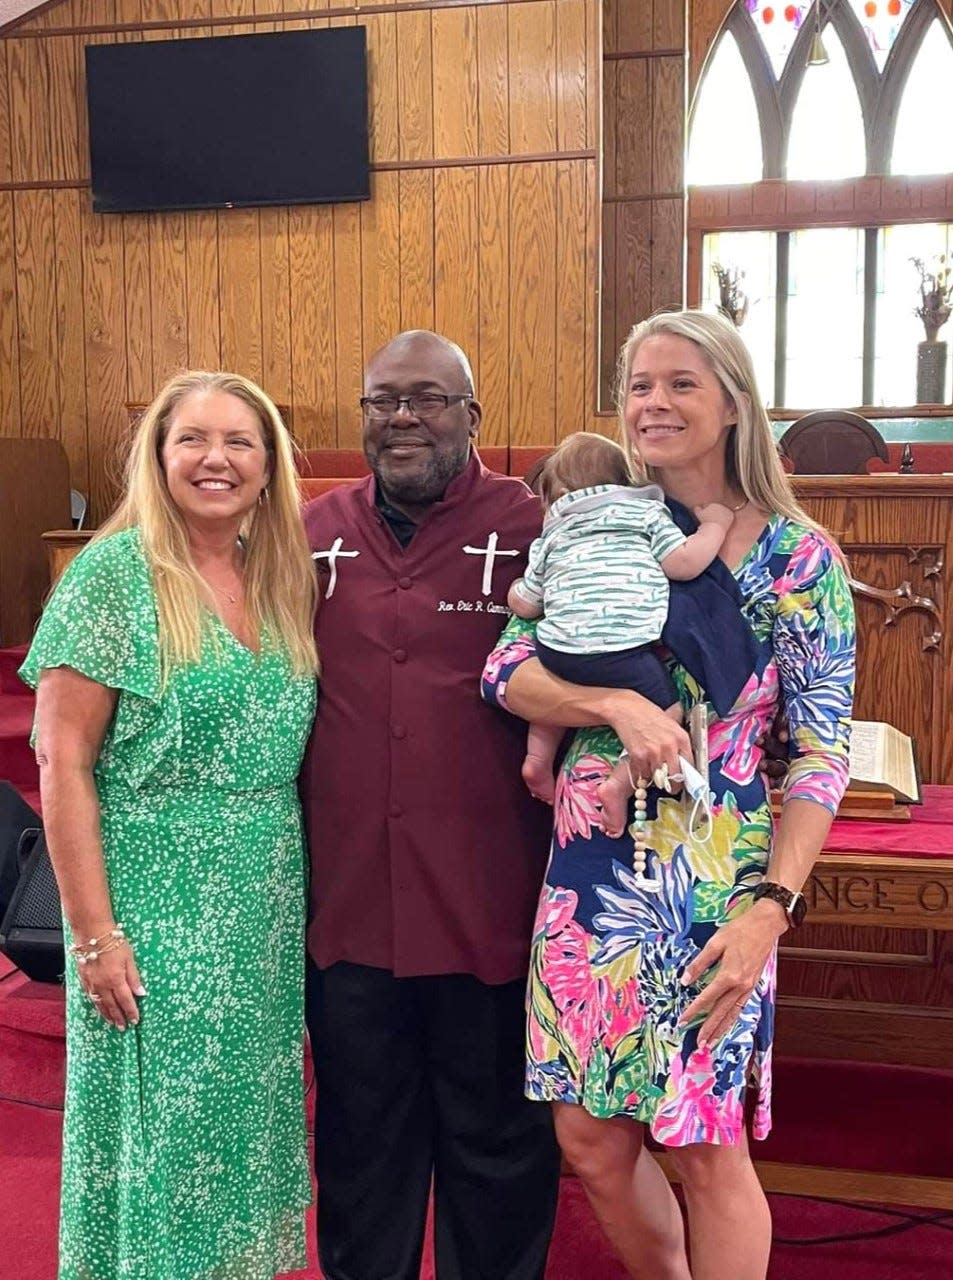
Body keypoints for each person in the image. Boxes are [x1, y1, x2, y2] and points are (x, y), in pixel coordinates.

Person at [482, 310, 855, 1280]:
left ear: (732, 402)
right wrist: (608, 699)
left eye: (680, 382)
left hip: (710, 882)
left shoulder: (794, 558)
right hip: (589, 879)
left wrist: (770, 908)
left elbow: (819, 750)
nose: (653, 402)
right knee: (588, 1136)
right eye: (638, 384)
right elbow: (505, 670)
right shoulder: (595, 519)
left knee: (699, 1139)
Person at [20, 371, 319, 1280]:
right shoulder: (114, 576)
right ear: (158, 455)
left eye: (240, 442)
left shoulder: (280, 575)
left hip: (261, 906)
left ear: (269, 469)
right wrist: (93, 936)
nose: (215, 459)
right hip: (151, 904)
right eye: (192, 438)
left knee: (240, 1131)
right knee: (162, 1135)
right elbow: (59, 760)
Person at [299, 330, 561, 1280]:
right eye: (380, 401)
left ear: (471, 414)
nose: (401, 417)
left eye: (426, 398)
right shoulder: (310, 530)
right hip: (352, 909)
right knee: (362, 1155)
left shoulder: (537, 527)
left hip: (493, 906)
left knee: (497, 1152)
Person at [506, 430, 735, 835]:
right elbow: (682, 563)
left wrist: (516, 595)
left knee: (557, 693)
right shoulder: (645, 514)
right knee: (669, 712)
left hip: (559, 647)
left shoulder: (553, 535)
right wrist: (713, 528)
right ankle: (620, 783)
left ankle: (537, 761)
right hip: (622, 649)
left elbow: (527, 603)